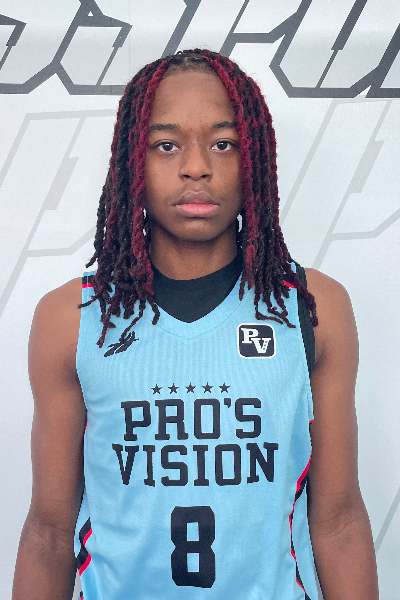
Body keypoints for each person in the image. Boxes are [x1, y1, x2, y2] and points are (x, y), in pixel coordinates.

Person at [12, 49, 379, 600]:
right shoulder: (74, 318)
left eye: (223, 143)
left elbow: (339, 519)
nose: (196, 167)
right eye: (167, 145)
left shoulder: (311, 308)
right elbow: (48, 531)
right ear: (134, 161)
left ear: (253, 158)